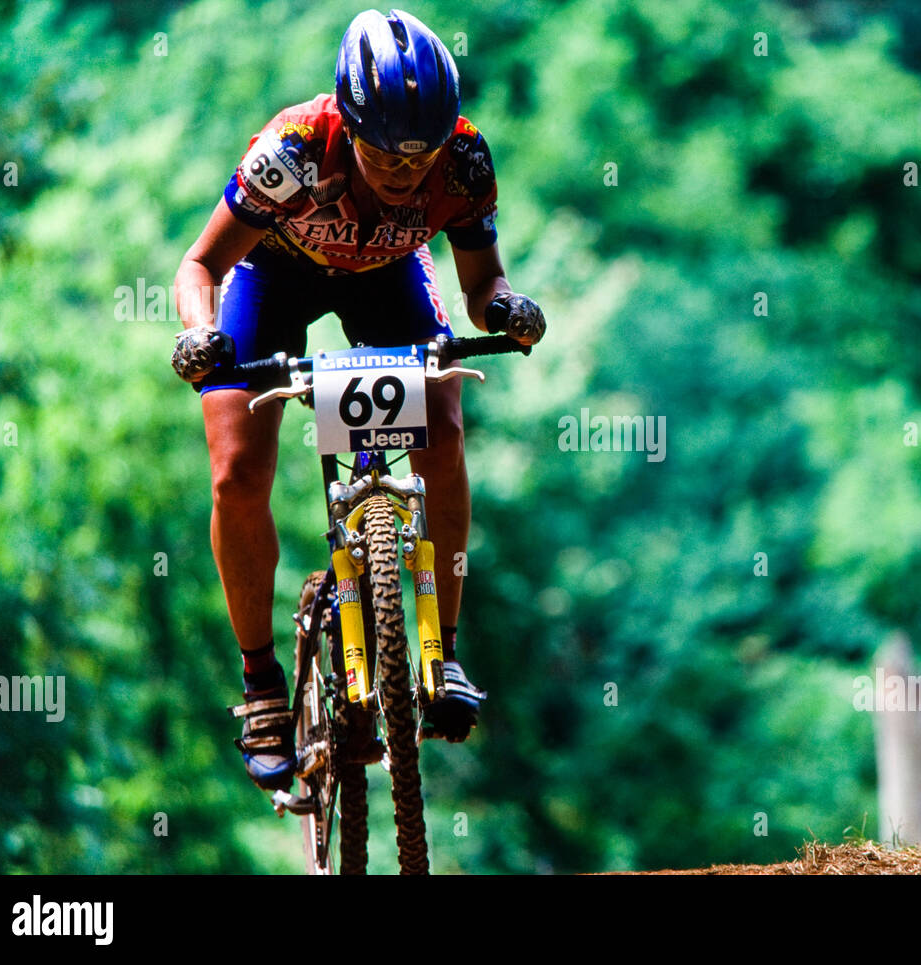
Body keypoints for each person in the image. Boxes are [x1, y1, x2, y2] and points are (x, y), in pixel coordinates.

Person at [170, 7, 545, 791]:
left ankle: (440, 649)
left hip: (388, 279)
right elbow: (199, 265)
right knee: (237, 474)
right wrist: (202, 333)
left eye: (422, 157)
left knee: (443, 433)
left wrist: (508, 309)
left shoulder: (466, 162)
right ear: (348, 122)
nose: (405, 173)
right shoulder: (295, 149)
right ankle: (262, 684)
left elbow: (481, 285)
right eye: (383, 154)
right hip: (273, 277)